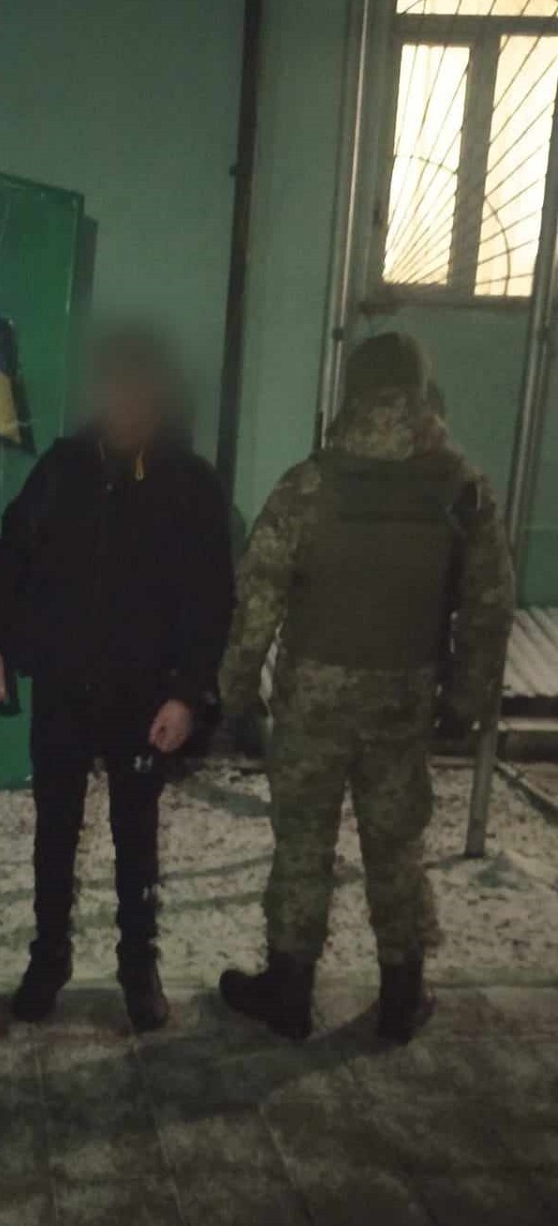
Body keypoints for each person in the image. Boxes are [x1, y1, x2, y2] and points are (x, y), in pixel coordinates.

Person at [218, 332, 515, 1043]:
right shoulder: (461, 487)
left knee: (302, 843)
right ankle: (402, 995)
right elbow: (488, 605)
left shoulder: (310, 482)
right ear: (422, 391)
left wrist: (237, 691)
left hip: (313, 700)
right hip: (404, 700)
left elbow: (257, 596)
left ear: (351, 390)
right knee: (395, 845)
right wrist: (467, 701)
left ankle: (289, 990)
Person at [0, 326, 234, 1031]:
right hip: (63, 686)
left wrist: (187, 692)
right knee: (55, 829)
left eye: (139, 386)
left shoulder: (190, 483)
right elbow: (13, 555)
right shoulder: (63, 467)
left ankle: (137, 965)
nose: (126, 400)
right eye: (116, 385)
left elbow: (211, 600)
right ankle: (48, 957)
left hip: (145, 696)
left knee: (136, 833)